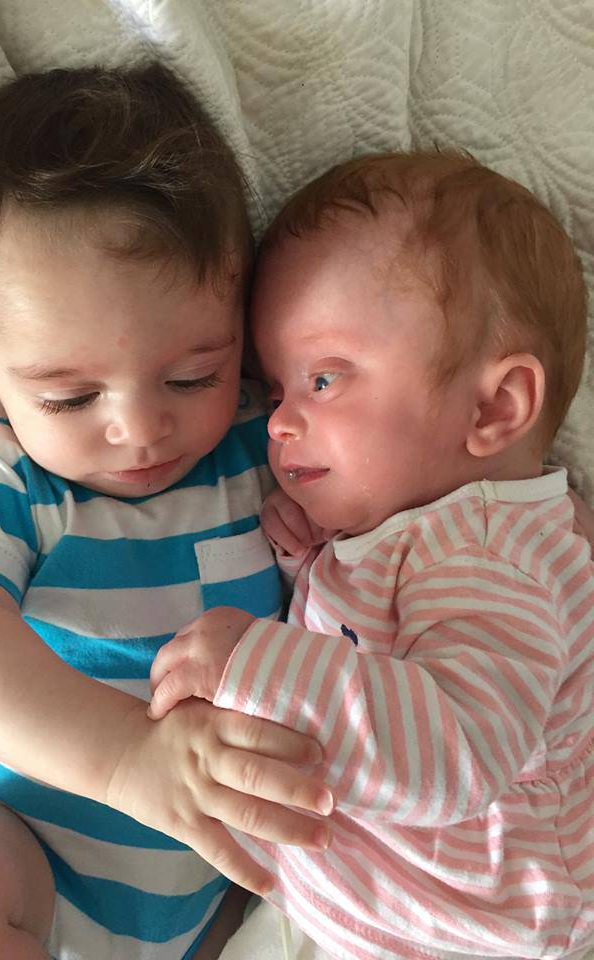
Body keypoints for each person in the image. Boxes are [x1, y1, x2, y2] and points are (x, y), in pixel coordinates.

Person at [0, 64, 336, 960]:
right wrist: (128, 759)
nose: (139, 429)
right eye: (70, 397)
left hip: (239, 884)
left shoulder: (265, 436)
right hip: (34, 847)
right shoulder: (13, 477)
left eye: (192, 375)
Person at [148, 151, 594, 960]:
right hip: (364, 908)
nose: (277, 422)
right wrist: (312, 568)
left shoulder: (495, 555)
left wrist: (254, 664)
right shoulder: (429, 532)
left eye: (323, 380)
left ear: (494, 408)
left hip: (469, 930)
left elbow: (459, 746)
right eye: (276, 389)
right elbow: (380, 652)